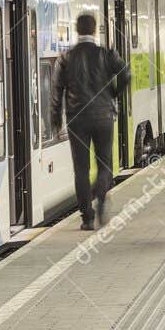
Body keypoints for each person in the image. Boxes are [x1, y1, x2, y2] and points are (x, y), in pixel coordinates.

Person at [53, 11, 129, 230]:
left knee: (81, 169)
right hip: (104, 117)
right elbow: (126, 74)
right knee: (105, 163)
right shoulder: (106, 54)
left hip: (77, 119)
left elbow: (57, 91)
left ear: (77, 30)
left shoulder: (66, 58)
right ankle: (102, 199)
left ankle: (87, 218)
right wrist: (113, 94)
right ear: (95, 30)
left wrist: (56, 119)